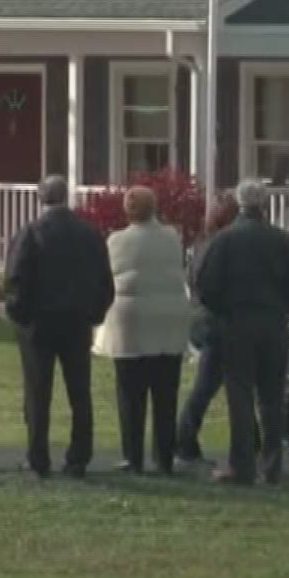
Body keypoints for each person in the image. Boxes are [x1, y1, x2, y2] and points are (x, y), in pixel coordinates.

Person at [195, 179, 289, 485]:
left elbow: (204, 284)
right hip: (274, 324)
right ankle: (272, 466)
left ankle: (242, 465)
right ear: (264, 204)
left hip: (236, 324)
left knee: (240, 395)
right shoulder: (282, 240)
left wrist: (222, 310)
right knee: (272, 398)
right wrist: (286, 305)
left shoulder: (224, 240)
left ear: (239, 202)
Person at [4, 174, 113, 479]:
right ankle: (79, 457)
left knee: (38, 393)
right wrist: (94, 314)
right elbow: (105, 281)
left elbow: (15, 280)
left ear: (41, 198)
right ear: (66, 197)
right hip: (77, 323)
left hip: (39, 325)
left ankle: (38, 458)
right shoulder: (89, 234)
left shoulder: (31, 233)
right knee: (80, 392)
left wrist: (21, 317)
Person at [97, 186, 194, 475]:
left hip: (131, 322)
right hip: (168, 320)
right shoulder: (172, 237)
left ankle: (133, 456)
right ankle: (164, 457)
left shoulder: (116, 241)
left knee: (130, 393)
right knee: (166, 393)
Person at [177, 190, 240, 464]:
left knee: (212, 385)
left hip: (204, 321)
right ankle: (185, 441)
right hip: (218, 322)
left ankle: (186, 441)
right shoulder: (222, 246)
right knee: (215, 386)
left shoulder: (204, 243)